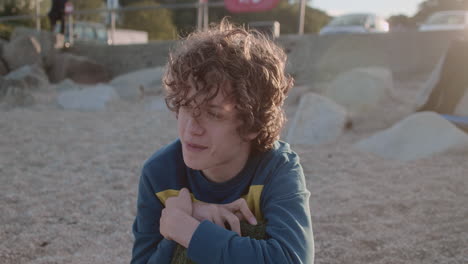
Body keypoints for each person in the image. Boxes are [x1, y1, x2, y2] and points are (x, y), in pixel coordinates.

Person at [131, 19, 314, 264]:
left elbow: (292, 259)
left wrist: (190, 230)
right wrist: (178, 225)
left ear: (251, 124)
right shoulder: (160, 174)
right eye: (186, 106)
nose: (191, 129)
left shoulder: (276, 168)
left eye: (213, 113)